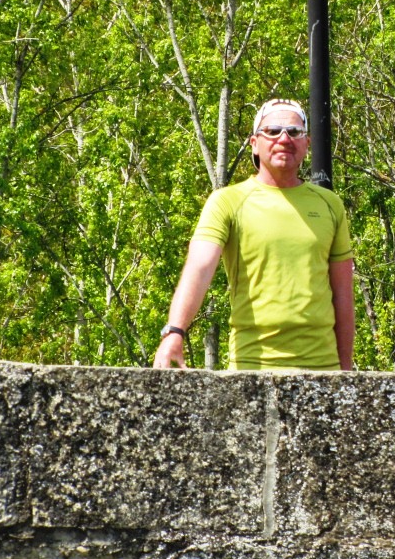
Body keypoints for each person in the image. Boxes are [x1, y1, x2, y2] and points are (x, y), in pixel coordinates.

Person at [152, 98, 355, 371]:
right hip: (251, 368)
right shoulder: (227, 201)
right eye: (272, 131)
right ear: (254, 144)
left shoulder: (330, 204)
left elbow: (343, 294)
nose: (284, 139)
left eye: (294, 132)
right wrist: (175, 331)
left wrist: (345, 373)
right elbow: (199, 267)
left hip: (323, 367)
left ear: (307, 144)